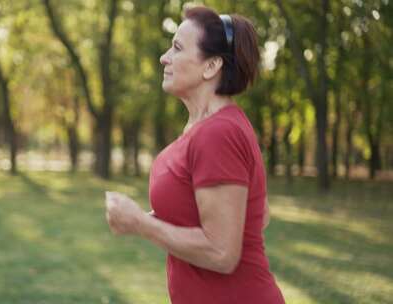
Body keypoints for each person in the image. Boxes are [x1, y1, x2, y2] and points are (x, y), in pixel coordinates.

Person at [104, 5, 285, 304]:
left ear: (211, 66)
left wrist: (140, 223)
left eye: (176, 47)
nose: (165, 57)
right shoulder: (205, 128)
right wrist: (145, 218)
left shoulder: (218, 133)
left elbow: (222, 253)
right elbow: (257, 213)